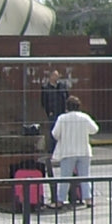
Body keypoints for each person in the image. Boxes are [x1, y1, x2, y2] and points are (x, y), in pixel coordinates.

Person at [51, 95, 99, 208]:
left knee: (65, 177)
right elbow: (94, 130)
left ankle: (60, 201)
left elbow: (55, 134)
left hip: (68, 151)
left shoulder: (62, 118)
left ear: (67, 107)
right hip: (84, 151)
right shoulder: (84, 117)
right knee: (85, 176)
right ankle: (88, 199)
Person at [39, 69, 69, 205]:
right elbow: (43, 101)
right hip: (52, 114)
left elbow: (66, 97)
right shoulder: (45, 88)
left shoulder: (62, 87)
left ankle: (61, 148)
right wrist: (48, 112)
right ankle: (53, 149)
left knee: (62, 133)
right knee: (53, 133)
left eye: (58, 75)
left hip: (62, 112)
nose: (56, 77)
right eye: (54, 75)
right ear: (50, 76)